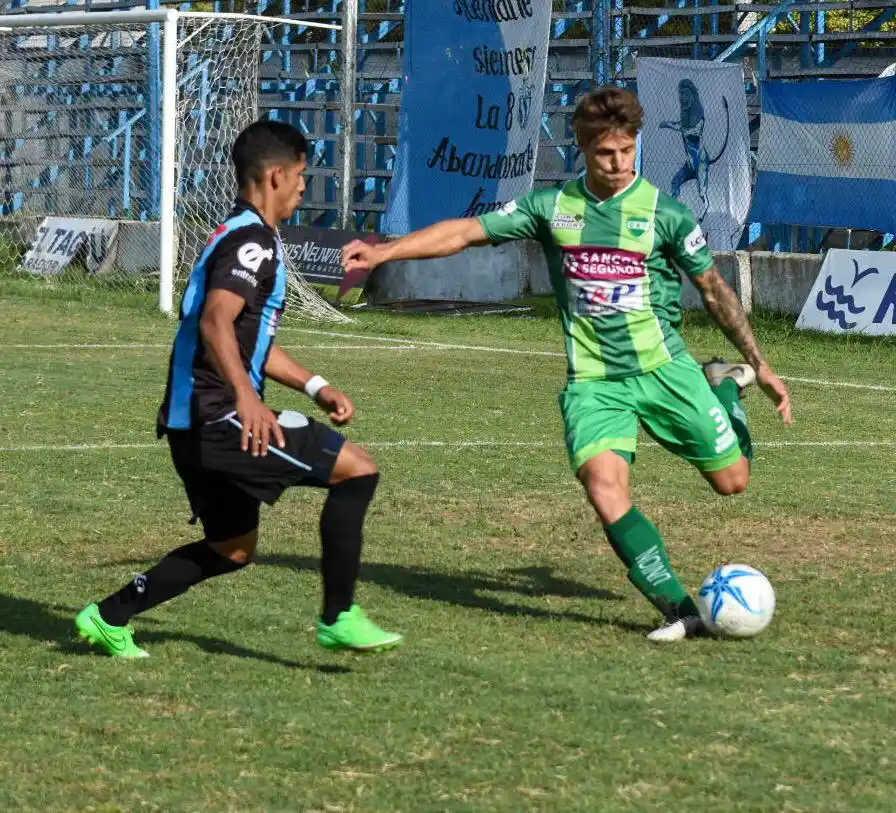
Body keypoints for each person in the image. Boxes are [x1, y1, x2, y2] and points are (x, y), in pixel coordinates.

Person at [342, 86, 792, 643]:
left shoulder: (664, 214)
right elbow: (464, 232)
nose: (620, 163)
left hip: (665, 370)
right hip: (595, 384)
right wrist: (385, 251)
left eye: (628, 150)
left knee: (733, 482)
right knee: (605, 488)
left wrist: (760, 364)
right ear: (583, 149)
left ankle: (724, 388)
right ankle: (679, 609)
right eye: (607, 153)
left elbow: (714, 289)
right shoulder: (552, 209)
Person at [75, 119, 401, 657]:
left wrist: (315, 385)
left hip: (192, 422)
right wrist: (248, 399)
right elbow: (216, 322)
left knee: (232, 549)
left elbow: (249, 341)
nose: (303, 186)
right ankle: (339, 615)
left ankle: (111, 615)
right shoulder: (253, 241)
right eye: (300, 175)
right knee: (357, 472)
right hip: (222, 416)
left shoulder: (240, 232)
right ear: (275, 175)